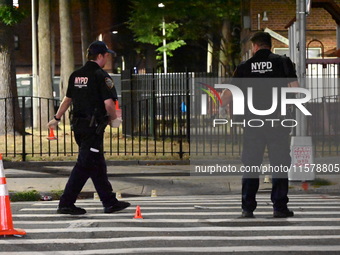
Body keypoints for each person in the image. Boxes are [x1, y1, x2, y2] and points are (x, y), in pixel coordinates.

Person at [221, 31, 298, 218]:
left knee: (251, 165)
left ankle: (248, 208)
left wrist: (222, 106)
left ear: (254, 46)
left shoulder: (245, 66)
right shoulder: (283, 62)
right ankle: (279, 207)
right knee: (279, 165)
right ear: (269, 45)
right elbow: (295, 90)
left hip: (253, 124)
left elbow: (227, 95)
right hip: (278, 123)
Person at [48, 41, 130, 215]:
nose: (107, 58)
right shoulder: (101, 76)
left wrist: (56, 118)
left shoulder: (76, 75)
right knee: (84, 165)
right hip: (93, 127)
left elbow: (67, 99)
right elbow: (109, 104)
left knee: (97, 164)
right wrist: (113, 119)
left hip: (78, 126)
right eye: (106, 55)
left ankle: (110, 202)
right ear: (100, 56)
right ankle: (66, 203)